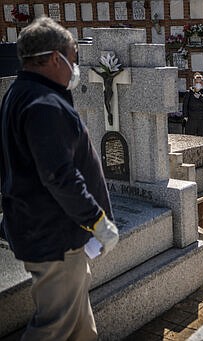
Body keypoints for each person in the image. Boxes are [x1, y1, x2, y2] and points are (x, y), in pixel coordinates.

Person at [0, 17, 119, 340]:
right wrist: (96, 220)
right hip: (54, 236)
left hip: (44, 229)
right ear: (55, 58)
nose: (75, 67)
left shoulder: (22, 93)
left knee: (80, 326)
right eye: (74, 57)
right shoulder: (44, 104)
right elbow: (59, 175)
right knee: (53, 327)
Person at [182, 72, 203, 136]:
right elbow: (185, 105)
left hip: (202, 120)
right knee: (190, 138)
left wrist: (200, 97)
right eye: (196, 82)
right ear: (194, 83)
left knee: (202, 138)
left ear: (202, 83)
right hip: (191, 120)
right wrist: (185, 116)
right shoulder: (189, 92)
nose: (198, 84)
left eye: (200, 82)